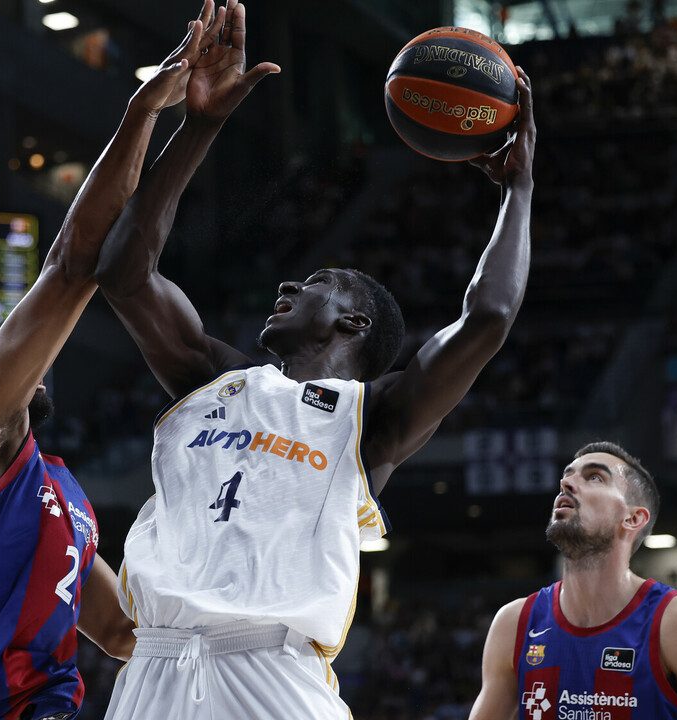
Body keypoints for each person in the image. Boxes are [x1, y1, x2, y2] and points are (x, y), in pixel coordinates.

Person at [92, 9, 536, 715]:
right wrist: (197, 126)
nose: (286, 288)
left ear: (352, 321)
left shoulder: (370, 421)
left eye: (313, 285)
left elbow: (486, 319)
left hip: (272, 673)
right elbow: (122, 272)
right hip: (154, 669)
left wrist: (516, 189)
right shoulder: (214, 382)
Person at [0, 4, 272, 719]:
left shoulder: (61, 492)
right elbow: (71, 266)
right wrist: (147, 113)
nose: (14, 344)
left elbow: (122, 631)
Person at [468, 442, 677, 720]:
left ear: (633, 518)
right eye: (568, 475)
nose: (566, 483)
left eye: (594, 477)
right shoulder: (514, 623)